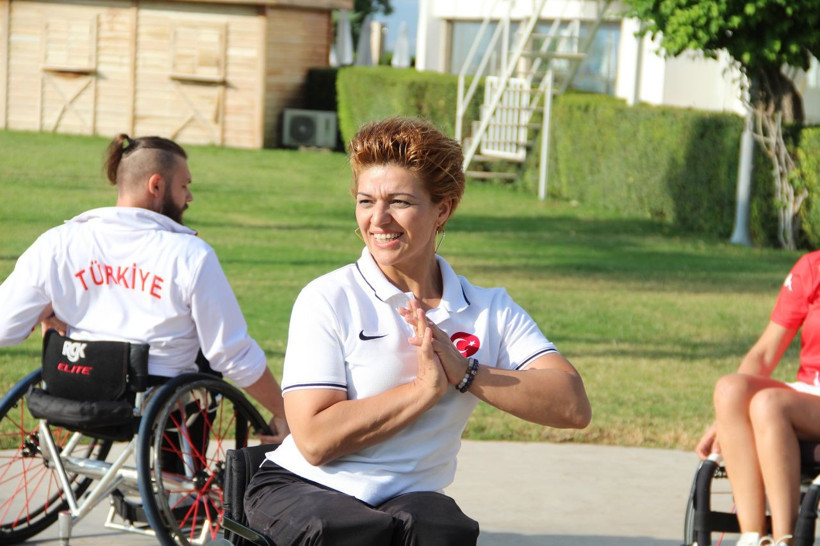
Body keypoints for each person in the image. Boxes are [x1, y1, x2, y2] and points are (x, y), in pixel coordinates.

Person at [244, 117, 592, 545]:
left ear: (442, 209)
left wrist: (466, 373)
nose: (378, 219)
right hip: (302, 488)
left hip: (407, 500)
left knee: (442, 528)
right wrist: (422, 392)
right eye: (366, 200)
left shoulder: (490, 309)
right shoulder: (329, 298)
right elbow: (314, 440)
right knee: (355, 531)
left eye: (400, 202)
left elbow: (573, 406)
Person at [0, 133, 288, 443]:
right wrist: (287, 413)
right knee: (205, 361)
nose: (189, 197)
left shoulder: (58, 242)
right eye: (184, 185)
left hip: (72, 388)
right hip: (155, 400)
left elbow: (5, 326)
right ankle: (177, 478)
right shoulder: (189, 254)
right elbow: (231, 353)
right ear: (156, 185)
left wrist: (48, 313)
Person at [696, 251, 820, 546]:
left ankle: (784, 539)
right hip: (809, 392)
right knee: (729, 389)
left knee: (770, 404)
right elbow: (764, 353)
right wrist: (723, 420)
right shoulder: (812, 267)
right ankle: (754, 537)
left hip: (796, 405)